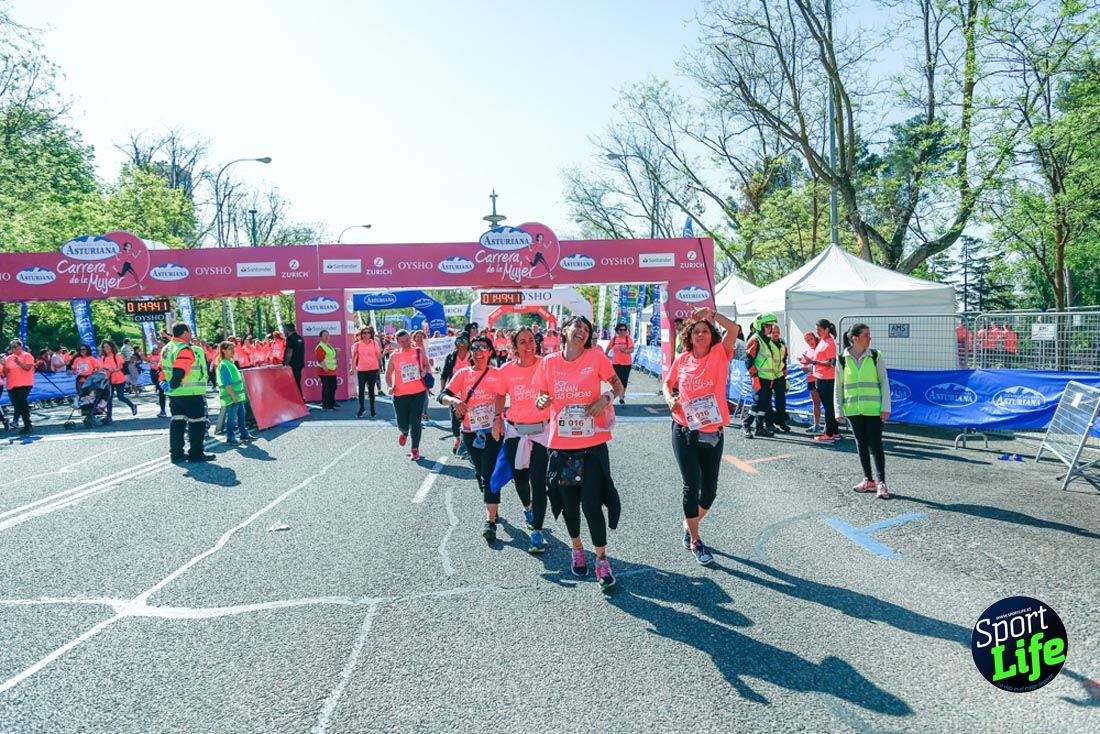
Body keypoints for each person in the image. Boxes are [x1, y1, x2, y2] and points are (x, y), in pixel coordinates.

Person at [533, 315, 625, 591]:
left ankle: (601, 559)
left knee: (591, 505)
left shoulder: (596, 357)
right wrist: (540, 400)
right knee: (570, 507)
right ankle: (577, 549)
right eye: (578, 327)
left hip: (592, 445)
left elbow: (618, 386)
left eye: (587, 329)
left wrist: (605, 398)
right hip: (561, 447)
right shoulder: (548, 363)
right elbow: (540, 399)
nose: (582, 332)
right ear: (565, 331)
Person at [663, 307, 740, 566]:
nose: (701, 335)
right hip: (684, 429)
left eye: (705, 331)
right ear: (689, 336)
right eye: (696, 331)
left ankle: (689, 523)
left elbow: (735, 330)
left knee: (710, 491)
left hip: (712, 432)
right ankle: (696, 540)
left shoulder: (720, 354)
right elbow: (667, 383)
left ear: (712, 336)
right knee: (691, 485)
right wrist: (670, 399)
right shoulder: (682, 359)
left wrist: (711, 315)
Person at [440, 335, 505, 541]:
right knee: (480, 472)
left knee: (489, 474)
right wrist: (455, 401)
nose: (478, 352)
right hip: (470, 432)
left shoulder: (498, 374)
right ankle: (491, 502)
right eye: (475, 348)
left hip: (492, 431)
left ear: (490, 352)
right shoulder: (462, 373)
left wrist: (497, 417)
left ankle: (490, 521)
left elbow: (505, 395)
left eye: (483, 348)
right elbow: (442, 395)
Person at [493, 327, 551, 552]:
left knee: (538, 481)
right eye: (523, 342)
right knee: (520, 479)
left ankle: (536, 530)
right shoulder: (506, 370)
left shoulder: (545, 364)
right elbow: (499, 395)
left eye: (531, 341)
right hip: (516, 431)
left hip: (542, 432)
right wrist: (497, 418)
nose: (528, 345)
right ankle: (528, 507)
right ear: (515, 347)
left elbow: (554, 390)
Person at [835, 323, 891, 499]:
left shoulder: (875, 355)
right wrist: (838, 409)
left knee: (875, 444)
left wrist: (885, 407)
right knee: (860, 444)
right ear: (855, 338)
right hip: (852, 409)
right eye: (866, 335)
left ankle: (881, 482)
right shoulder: (842, 358)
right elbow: (839, 385)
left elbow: (884, 382)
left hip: (873, 409)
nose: (870, 338)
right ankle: (868, 480)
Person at [161, 323, 215, 463]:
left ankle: (176, 454)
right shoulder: (184, 349)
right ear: (184, 333)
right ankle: (196, 453)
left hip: (175, 395)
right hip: (190, 393)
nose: (191, 334)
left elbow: (162, 370)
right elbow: (180, 371)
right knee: (197, 423)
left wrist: (167, 385)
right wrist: (174, 383)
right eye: (189, 332)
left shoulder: (167, 348)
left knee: (177, 423)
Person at [385, 329, 430, 461]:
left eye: (407, 340)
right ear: (397, 342)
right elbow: (388, 374)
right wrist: (389, 387)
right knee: (402, 423)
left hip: (418, 392)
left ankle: (415, 449)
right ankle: (404, 432)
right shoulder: (394, 356)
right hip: (400, 394)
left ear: (410, 339)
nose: (405, 343)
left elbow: (427, 366)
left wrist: (424, 372)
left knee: (416, 422)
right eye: (402, 341)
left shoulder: (418, 351)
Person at [741, 314, 782, 438]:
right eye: (768, 326)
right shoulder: (755, 339)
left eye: (770, 326)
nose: (770, 328)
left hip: (768, 378)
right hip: (759, 377)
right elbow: (748, 360)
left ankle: (759, 428)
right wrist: (755, 378)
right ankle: (746, 425)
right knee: (757, 402)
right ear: (761, 326)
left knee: (764, 404)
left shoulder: (766, 340)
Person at [216, 341, 254, 445]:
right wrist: (233, 396)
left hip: (237, 396)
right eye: (230, 349)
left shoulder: (230, 363)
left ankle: (244, 434)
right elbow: (227, 384)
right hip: (231, 396)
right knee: (232, 418)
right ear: (223, 351)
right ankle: (230, 438)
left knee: (242, 415)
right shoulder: (224, 365)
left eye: (233, 349)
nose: (233, 351)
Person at [439, 334, 471, 455]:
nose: (461, 344)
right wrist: (443, 391)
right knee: (455, 419)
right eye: (458, 341)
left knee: (468, 417)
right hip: (454, 392)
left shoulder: (472, 356)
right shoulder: (452, 356)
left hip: (471, 392)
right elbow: (444, 373)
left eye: (463, 341)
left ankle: (466, 441)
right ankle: (457, 438)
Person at [811, 319, 841, 444]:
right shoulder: (823, 341)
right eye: (817, 329)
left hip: (827, 379)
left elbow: (831, 363)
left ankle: (829, 434)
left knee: (829, 407)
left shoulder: (830, 343)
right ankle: (834, 432)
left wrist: (814, 362)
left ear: (827, 329)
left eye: (819, 330)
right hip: (822, 377)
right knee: (829, 406)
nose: (817, 332)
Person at [2, 339, 35, 435]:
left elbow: (28, 368)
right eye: (12, 347)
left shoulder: (27, 355)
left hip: (25, 384)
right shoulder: (8, 358)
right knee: (18, 404)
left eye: (16, 346)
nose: (14, 349)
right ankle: (28, 424)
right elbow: (6, 373)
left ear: (21, 346)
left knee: (21, 401)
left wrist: (19, 362)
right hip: (12, 385)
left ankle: (27, 424)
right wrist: (4, 366)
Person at [100, 340, 137, 423]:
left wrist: (113, 370)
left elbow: (120, 367)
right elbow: (101, 368)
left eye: (107, 347)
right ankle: (109, 417)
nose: (106, 349)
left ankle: (132, 405)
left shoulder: (117, 356)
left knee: (120, 397)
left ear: (111, 347)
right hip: (109, 380)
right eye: (104, 347)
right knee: (109, 398)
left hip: (119, 379)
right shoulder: (103, 358)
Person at [351, 326, 383, 418]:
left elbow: (378, 356)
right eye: (364, 333)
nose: (366, 334)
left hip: (373, 369)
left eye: (368, 333)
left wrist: (384, 354)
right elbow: (354, 358)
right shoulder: (357, 345)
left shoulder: (374, 343)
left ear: (371, 334)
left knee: (371, 390)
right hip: (361, 369)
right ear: (361, 334)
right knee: (361, 391)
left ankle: (372, 409)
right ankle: (361, 408)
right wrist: (352, 368)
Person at [767, 323, 791, 433]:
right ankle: (769, 423)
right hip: (768, 376)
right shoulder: (766, 343)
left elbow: (784, 357)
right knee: (767, 400)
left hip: (780, 375)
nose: (776, 334)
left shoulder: (782, 343)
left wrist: (785, 367)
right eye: (773, 332)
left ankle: (781, 422)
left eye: (777, 332)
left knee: (781, 400)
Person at [798, 331, 822, 433]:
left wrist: (810, 367)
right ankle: (816, 425)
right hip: (811, 379)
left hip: (822, 379)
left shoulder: (821, 348)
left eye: (810, 339)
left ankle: (831, 428)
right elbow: (803, 367)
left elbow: (826, 364)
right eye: (807, 340)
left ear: (814, 337)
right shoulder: (807, 351)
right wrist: (806, 366)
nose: (809, 341)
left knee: (827, 403)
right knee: (816, 403)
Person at [604, 323, 634, 405]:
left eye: (625, 330)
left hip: (627, 364)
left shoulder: (628, 339)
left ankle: (622, 397)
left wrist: (625, 351)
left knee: (624, 381)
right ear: (617, 331)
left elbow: (632, 350)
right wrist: (606, 356)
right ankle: (612, 396)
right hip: (616, 363)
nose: (623, 331)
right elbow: (608, 348)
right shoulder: (614, 339)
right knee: (616, 381)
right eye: (621, 330)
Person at [314, 330, 339, 410]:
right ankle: (326, 405)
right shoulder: (320, 346)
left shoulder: (328, 345)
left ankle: (332, 402)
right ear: (320, 337)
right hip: (324, 371)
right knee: (327, 388)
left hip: (331, 370)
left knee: (333, 387)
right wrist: (325, 368)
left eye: (328, 335)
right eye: (325, 335)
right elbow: (320, 359)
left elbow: (331, 356)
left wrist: (336, 352)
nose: (327, 337)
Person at [282, 323, 306, 396]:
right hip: (299, 364)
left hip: (293, 365)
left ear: (287, 330)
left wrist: (286, 363)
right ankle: (300, 399)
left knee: (294, 383)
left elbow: (289, 352)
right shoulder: (300, 338)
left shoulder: (290, 339)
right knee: (297, 382)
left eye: (285, 329)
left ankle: (298, 400)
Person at [148, 345, 167, 417]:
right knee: (161, 391)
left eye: (157, 349)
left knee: (164, 392)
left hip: (164, 375)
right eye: (154, 349)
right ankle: (163, 410)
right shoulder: (151, 356)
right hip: (155, 373)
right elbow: (147, 360)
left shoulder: (162, 356)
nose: (156, 350)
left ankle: (163, 410)